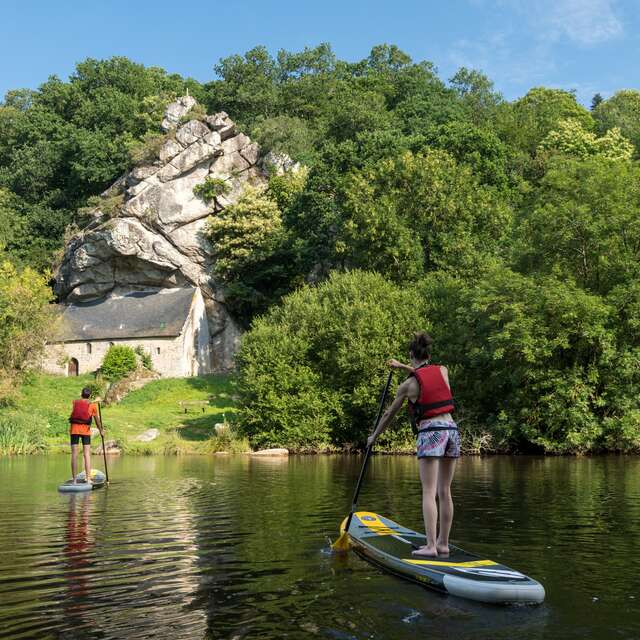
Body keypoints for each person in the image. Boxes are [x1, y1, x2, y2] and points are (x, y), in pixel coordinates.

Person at [367, 332, 459, 557]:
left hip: (431, 432)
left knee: (428, 491)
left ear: (411, 355)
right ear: (428, 354)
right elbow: (425, 374)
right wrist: (402, 366)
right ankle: (443, 544)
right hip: (452, 431)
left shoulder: (407, 386)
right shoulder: (443, 370)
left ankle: (430, 547)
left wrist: (374, 436)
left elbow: (389, 414)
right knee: (444, 491)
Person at [69, 388, 103, 484]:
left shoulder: (75, 402)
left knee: (74, 454)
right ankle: (88, 479)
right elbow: (97, 420)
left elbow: (81, 402)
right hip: (85, 431)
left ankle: (74, 480)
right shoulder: (93, 405)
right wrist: (101, 430)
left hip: (74, 430)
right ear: (90, 395)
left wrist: (93, 400)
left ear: (81, 394)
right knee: (86, 454)